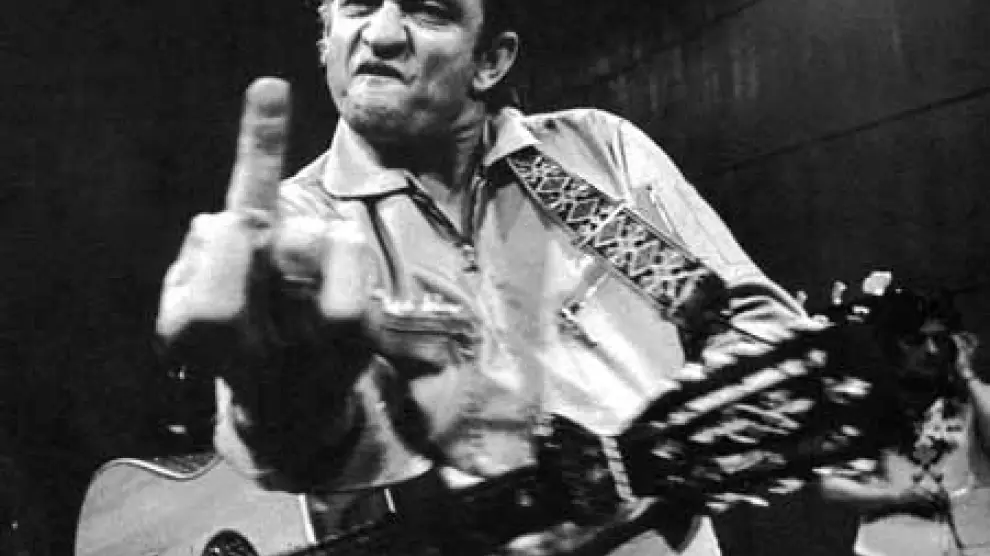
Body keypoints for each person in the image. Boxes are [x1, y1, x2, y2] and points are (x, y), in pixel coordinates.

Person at [155, 1, 819, 554]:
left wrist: (660, 462)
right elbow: (298, 449)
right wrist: (275, 400)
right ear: (326, 39)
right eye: (357, 5)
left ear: (491, 61)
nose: (381, 33)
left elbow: (759, 330)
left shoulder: (594, 154)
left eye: (426, 10)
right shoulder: (296, 229)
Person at [817, 288, 990, 555]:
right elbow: (832, 485)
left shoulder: (973, 398)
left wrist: (967, 374)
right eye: (915, 341)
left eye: (939, 340)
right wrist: (895, 497)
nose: (931, 350)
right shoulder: (862, 404)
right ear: (890, 346)